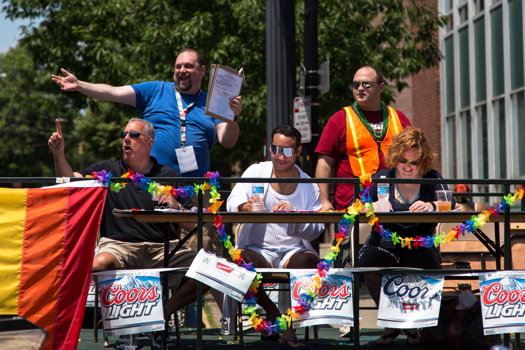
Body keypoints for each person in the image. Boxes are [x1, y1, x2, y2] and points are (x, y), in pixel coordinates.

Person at [48, 117, 203, 348]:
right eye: (124, 135)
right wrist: (59, 154)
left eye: (133, 135)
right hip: (119, 247)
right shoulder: (107, 170)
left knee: (205, 269)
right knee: (99, 263)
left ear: (149, 142)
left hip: (163, 249)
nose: (126, 139)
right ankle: (130, 324)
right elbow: (71, 183)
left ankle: (158, 318)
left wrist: (176, 206)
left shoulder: (167, 174)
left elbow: (193, 225)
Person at [51, 48, 242, 177]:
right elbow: (113, 92)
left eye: (188, 66)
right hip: (151, 185)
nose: (182, 70)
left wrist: (233, 116)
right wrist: (80, 85)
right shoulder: (155, 90)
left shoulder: (214, 102)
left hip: (195, 193)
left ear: (202, 70)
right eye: (178, 66)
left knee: (200, 238)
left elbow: (228, 141)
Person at [226, 125, 324, 349]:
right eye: (275, 149)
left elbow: (317, 228)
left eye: (288, 151)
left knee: (310, 261)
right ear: (269, 147)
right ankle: (274, 313)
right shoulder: (256, 172)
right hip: (259, 249)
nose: (280, 156)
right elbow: (233, 201)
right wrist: (245, 206)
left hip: (294, 250)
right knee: (240, 261)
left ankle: (287, 326)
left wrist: (293, 218)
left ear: (298, 151)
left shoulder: (308, 184)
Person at [358, 127, 449, 347]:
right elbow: (359, 206)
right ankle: (397, 325)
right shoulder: (382, 178)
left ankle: (407, 325)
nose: (407, 166)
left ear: (423, 161)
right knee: (366, 261)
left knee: (427, 262)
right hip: (384, 245)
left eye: (414, 162)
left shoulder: (432, 177)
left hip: (419, 245)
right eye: (402, 160)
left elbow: (449, 203)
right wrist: (375, 206)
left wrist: (431, 205)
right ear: (394, 158)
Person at [315, 66, 412, 211]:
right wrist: (323, 201)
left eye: (366, 84)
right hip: (353, 206)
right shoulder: (340, 119)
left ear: (381, 87)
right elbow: (325, 162)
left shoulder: (399, 118)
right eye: (355, 84)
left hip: (395, 203)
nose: (360, 88)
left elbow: (416, 157)